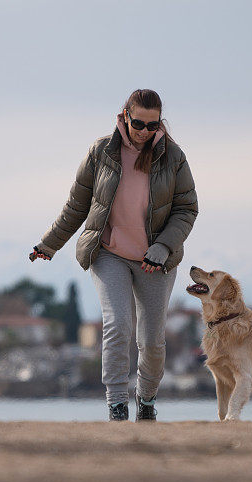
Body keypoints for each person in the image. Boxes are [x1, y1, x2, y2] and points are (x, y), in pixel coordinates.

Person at [29, 89, 198, 422]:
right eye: (138, 123)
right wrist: (49, 243)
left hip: (156, 261)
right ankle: (117, 404)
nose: (144, 131)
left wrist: (162, 248)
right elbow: (77, 205)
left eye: (152, 125)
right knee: (117, 325)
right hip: (109, 254)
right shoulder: (101, 151)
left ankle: (146, 399)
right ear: (125, 115)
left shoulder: (173, 157)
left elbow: (187, 209)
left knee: (151, 341)